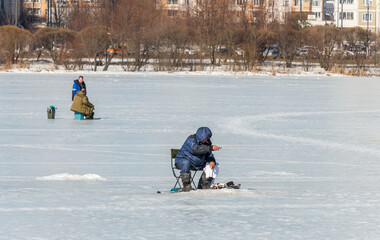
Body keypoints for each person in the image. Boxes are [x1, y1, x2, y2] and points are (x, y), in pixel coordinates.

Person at [175, 127, 221, 191]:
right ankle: (187, 186)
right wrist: (211, 148)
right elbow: (196, 149)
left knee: (214, 165)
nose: (206, 140)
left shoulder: (207, 142)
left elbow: (209, 154)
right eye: (205, 138)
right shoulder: (191, 139)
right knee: (186, 162)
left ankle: (204, 185)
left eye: (207, 138)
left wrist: (211, 160)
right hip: (182, 161)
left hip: (197, 163)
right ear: (201, 136)